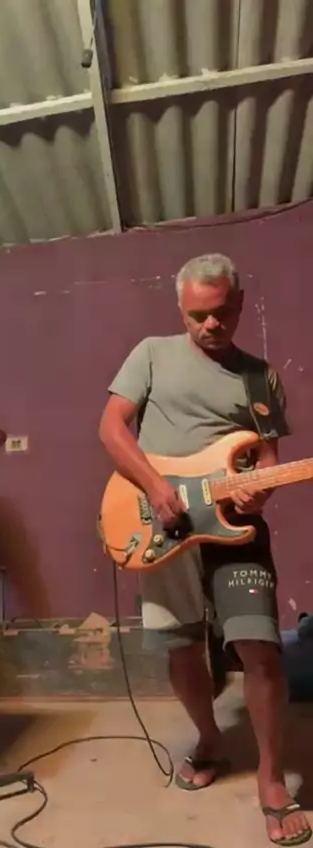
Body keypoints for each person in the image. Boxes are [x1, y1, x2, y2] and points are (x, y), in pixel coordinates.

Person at [99, 254, 311, 847]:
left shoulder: (260, 377)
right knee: (182, 644)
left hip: (234, 526)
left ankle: (272, 778)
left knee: (260, 648)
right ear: (180, 309)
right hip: (161, 523)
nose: (210, 325)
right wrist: (156, 487)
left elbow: (268, 457)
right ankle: (210, 737)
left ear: (239, 304)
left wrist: (258, 492)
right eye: (197, 315)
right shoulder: (150, 354)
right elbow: (112, 427)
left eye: (220, 313)